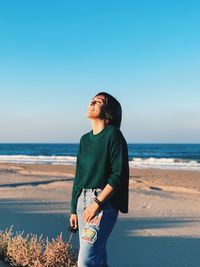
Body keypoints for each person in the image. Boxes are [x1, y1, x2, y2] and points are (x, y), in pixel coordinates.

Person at [70, 92, 129, 267]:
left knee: (85, 261)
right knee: (98, 258)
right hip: (83, 202)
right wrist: (74, 209)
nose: (92, 102)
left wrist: (96, 203)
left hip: (102, 203)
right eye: (92, 99)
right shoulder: (84, 140)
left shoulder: (114, 135)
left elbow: (118, 175)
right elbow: (79, 176)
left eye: (99, 101)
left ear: (109, 112)